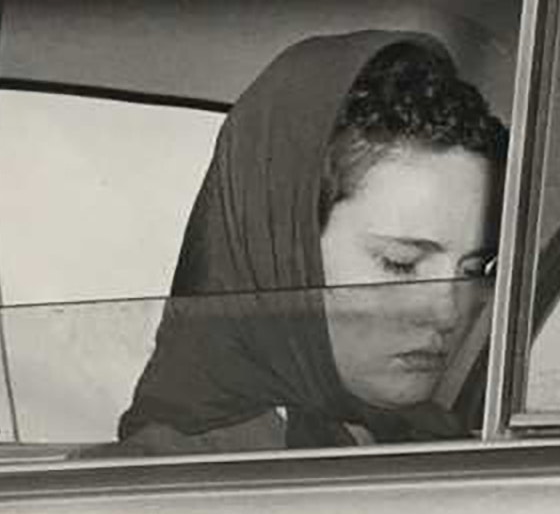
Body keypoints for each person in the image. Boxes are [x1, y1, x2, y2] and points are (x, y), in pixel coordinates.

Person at [84, 30, 508, 456]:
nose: (448, 312)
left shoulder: (435, 440)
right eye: (400, 263)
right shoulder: (159, 485)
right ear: (286, 253)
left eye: (475, 271)